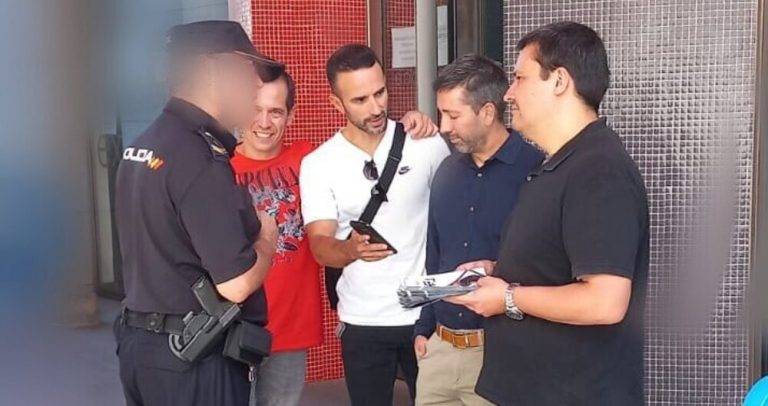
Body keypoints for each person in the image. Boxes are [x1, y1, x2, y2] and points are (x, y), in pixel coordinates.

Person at [447, 22, 650, 405]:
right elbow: (557, 266)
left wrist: (508, 297)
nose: (508, 94)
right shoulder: (559, 165)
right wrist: (497, 271)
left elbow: (604, 301)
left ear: (559, 81)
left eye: (520, 78)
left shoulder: (598, 170)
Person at [113, 21, 283, 406]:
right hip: (192, 363)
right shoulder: (199, 158)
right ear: (211, 69)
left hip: (144, 351)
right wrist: (267, 241)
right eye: (248, 69)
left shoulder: (144, 145)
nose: (257, 83)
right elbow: (236, 284)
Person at [299, 44, 449, 405]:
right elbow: (320, 245)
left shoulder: (424, 143)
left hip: (426, 313)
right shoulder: (319, 164)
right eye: (360, 100)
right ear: (336, 104)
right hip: (363, 319)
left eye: (380, 92)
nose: (376, 108)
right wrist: (350, 249)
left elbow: (455, 215)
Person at [412, 54, 543, 406]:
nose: (444, 126)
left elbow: (548, 265)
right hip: (439, 351)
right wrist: (424, 328)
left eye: (453, 115)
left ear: (487, 112)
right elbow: (435, 254)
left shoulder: (536, 172)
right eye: (441, 114)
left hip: (501, 355)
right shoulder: (446, 171)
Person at [230, 71, 320, 406]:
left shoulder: (311, 160)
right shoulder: (218, 167)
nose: (264, 122)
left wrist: (411, 124)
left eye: (276, 111)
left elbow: (364, 148)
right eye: (256, 109)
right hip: (232, 329)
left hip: (290, 330)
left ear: (291, 115)